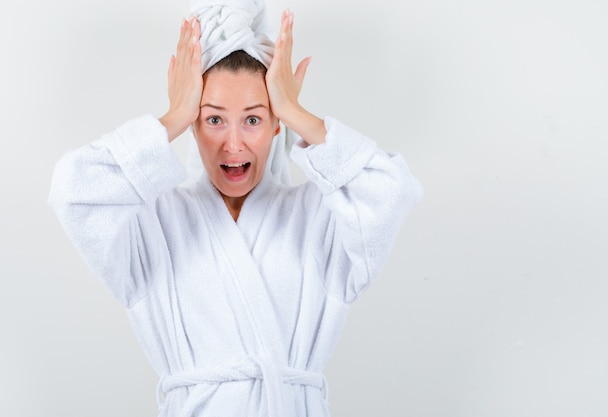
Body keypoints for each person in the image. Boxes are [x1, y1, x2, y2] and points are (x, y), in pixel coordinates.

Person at [49, 1, 422, 416]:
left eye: (253, 119)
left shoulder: (318, 217)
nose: (233, 144)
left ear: (276, 124)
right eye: (213, 120)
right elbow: (72, 189)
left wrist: (296, 111)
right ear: (193, 122)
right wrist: (172, 116)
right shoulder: (153, 222)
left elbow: (391, 189)